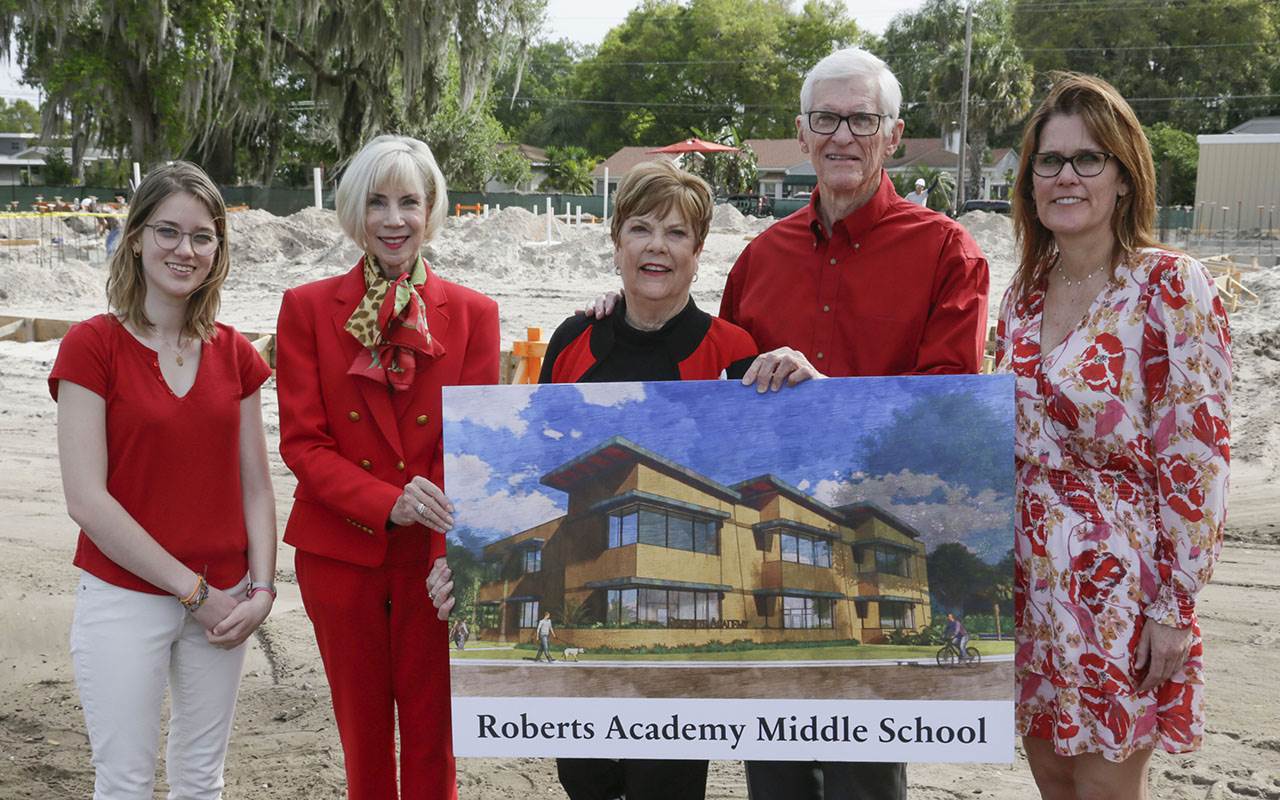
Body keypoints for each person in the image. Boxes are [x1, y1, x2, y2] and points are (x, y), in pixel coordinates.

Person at [428, 160, 765, 800]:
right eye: (640, 228)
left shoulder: (734, 349)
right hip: (580, 574)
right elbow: (531, 453)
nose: (657, 246)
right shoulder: (575, 337)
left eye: (676, 233)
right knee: (585, 780)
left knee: (666, 786)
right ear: (616, 245)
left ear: (699, 252)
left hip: (677, 646)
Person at [994, 73, 1230, 800]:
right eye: (1049, 160)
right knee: (1053, 782)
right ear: (1030, 181)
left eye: (1088, 159)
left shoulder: (1170, 287)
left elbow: (1197, 457)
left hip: (1119, 595)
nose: (1066, 176)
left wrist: (1174, 609)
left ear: (1125, 178)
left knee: (1103, 787)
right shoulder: (1022, 293)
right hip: (1028, 588)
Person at [275, 134, 500, 800]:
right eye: (377, 201)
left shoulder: (477, 314)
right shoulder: (307, 308)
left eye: (409, 201)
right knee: (364, 746)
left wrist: (446, 555)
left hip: (434, 567)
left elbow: (471, 452)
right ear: (353, 210)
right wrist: (387, 500)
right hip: (342, 555)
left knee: (436, 745)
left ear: (431, 209)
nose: (394, 218)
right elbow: (304, 444)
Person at [49, 161, 277, 799]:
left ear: (218, 250)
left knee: (202, 780)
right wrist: (192, 592)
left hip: (226, 600)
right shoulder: (91, 347)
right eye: (168, 232)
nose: (185, 249)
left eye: (203, 236)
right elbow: (86, 500)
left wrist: (262, 589)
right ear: (137, 238)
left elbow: (257, 485)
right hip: (125, 596)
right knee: (123, 781)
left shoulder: (236, 353)